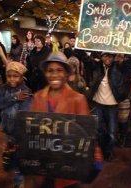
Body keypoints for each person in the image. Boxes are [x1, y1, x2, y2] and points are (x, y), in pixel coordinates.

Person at [28, 51, 103, 188]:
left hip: (68, 168)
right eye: (50, 70)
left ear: (66, 74)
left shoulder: (77, 99)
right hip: (43, 167)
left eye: (59, 70)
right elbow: (30, 130)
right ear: (45, 73)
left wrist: (96, 156)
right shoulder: (38, 97)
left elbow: (87, 134)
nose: (55, 75)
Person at [0, 62, 32, 188]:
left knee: (20, 156)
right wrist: (14, 97)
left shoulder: (26, 91)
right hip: (8, 131)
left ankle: (19, 181)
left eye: (15, 76)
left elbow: (25, 113)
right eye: (9, 76)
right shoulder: (3, 89)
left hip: (20, 133)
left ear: (21, 77)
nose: (12, 79)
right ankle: (16, 175)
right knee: (10, 156)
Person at [88, 52, 127, 161]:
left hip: (112, 105)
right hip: (98, 104)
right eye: (105, 55)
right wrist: (80, 42)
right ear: (101, 56)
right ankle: (102, 149)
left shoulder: (118, 67)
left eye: (110, 55)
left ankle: (108, 151)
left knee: (111, 133)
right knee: (98, 130)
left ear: (113, 57)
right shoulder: (97, 67)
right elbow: (85, 58)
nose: (107, 58)